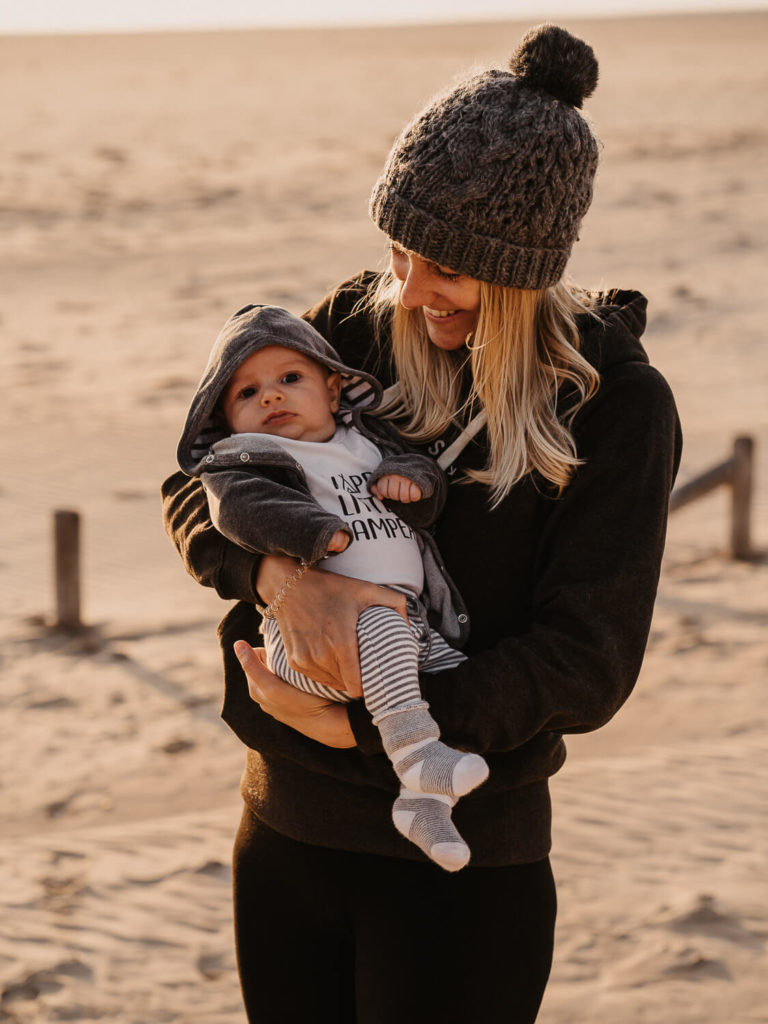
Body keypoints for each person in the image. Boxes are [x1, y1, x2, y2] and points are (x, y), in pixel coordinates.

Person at [161, 23, 682, 1024]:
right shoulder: (348, 330)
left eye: (446, 264)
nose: (408, 285)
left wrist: (365, 722)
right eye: (397, 246)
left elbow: (587, 661)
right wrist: (282, 582)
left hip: (463, 864)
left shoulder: (614, 406)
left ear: (523, 264)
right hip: (283, 828)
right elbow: (193, 483)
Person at [175, 306, 489, 870]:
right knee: (385, 628)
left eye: (290, 379)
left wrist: (412, 482)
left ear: (334, 385)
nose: (271, 397)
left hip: (408, 621)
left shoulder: (365, 444)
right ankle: (418, 755)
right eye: (248, 393)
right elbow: (240, 508)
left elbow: (427, 476)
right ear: (226, 422)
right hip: (312, 642)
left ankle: (422, 805)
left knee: (459, 685)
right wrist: (315, 532)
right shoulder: (247, 460)